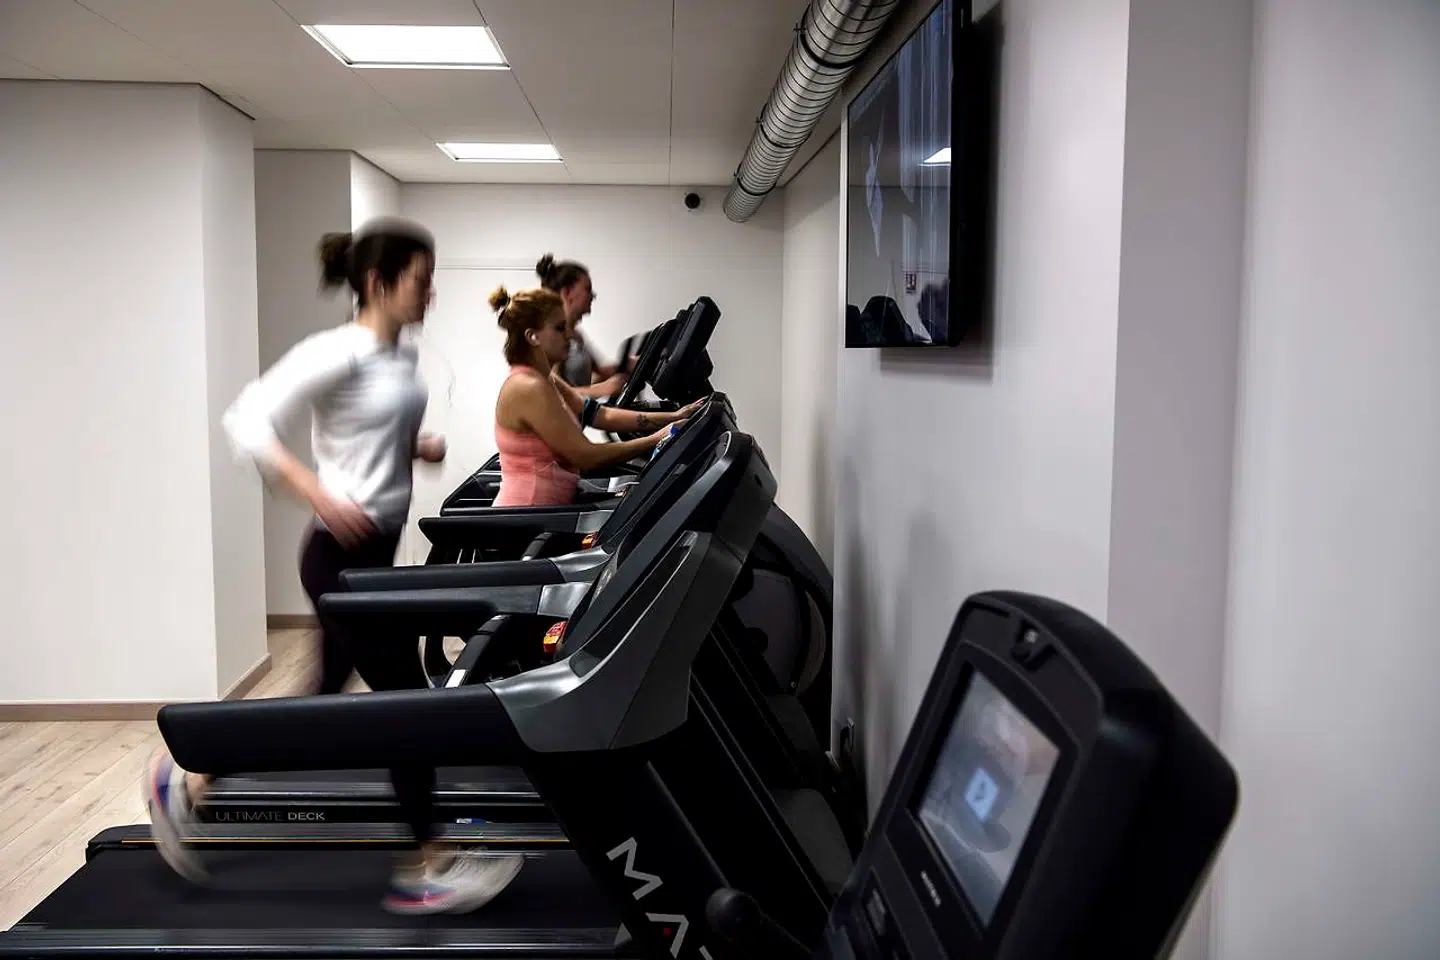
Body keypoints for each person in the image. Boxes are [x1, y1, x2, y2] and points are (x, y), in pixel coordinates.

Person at [143, 218, 523, 915]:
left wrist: (417, 446)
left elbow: (366, 432)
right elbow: (247, 419)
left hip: (374, 554)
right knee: (409, 706)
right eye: (420, 280)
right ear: (378, 283)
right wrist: (314, 487)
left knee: (320, 698)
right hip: (337, 560)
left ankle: (188, 781)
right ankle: (427, 861)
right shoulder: (337, 351)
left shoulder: (398, 358)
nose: (430, 294)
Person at [490, 285, 699, 507]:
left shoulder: (546, 379)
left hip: (552, 509)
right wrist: (656, 439)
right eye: (560, 328)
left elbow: (597, 414)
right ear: (533, 337)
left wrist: (674, 417)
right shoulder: (527, 387)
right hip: (528, 520)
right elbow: (584, 455)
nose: (569, 335)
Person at [535, 253, 631, 398]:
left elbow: (601, 371)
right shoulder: (550, 336)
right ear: (567, 293)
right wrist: (603, 389)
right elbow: (551, 392)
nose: (593, 296)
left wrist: (631, 363)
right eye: (587, 289)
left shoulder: (576, 335)